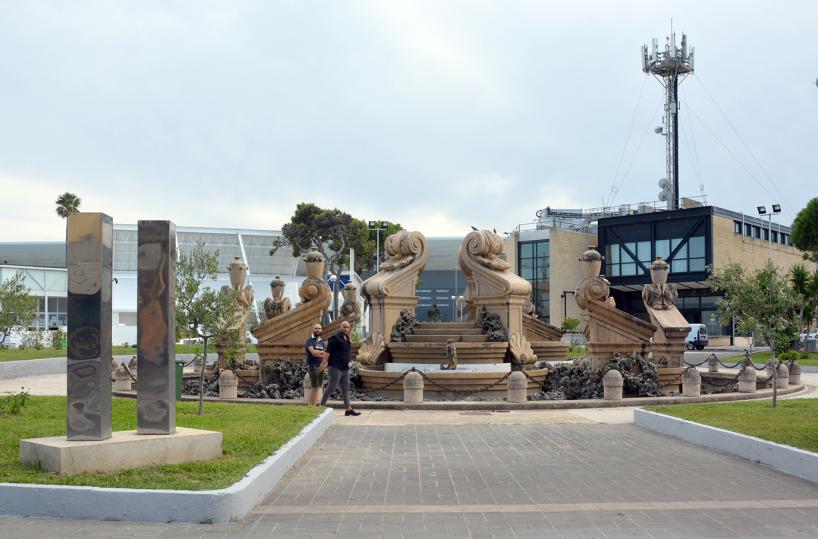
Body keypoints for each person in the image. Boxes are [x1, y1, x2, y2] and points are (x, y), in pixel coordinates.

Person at [319, 320, 360, 416]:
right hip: (335, 367)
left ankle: (348, 409)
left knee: (345, 389)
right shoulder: (335, 338)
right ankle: (321, 406)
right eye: (344, 327)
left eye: (347, 327)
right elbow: (327, 352)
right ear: (340, 327)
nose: (346, 329)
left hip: (345, 368)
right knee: (331, 388)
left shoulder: (347, 338)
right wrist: (324, 362)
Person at [304, 323, 325, 406]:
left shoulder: (321, 342)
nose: (318, 330)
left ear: (321, 330)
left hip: (321, 367)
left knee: (318, 387)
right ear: (313, 329)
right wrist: (322, 352)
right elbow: (313, 353)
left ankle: (314, 404)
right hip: (313, 366)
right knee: (314, 387)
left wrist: (319, 354)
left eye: (319, 328)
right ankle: (310, 405)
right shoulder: (309, 340)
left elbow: (322, 355)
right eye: (316, 328)